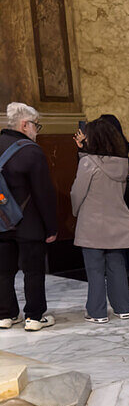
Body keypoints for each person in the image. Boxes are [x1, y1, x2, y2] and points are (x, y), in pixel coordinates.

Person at [71, 116, 129, 323]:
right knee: (117, 266)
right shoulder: (122, 163)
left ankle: (97, 312)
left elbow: (77, 193)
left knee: (95, 269)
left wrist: (76, 213)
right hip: (118, 222)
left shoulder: (87, 163)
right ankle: (123, 308)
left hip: (92, 224)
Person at [0, 102, 58, 331]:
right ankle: (34, 317)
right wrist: (51, 228)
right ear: (25, 125)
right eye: (36, 125)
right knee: (33, 272)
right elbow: (44, 194)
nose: (36, 130)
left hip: (0, 224)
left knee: (3, 272)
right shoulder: (31, 151)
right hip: (29, 224)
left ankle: (5, 315)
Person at [99, 113, 129, 280]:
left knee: (115, 236)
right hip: (124, 197)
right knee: (127, 235)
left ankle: (118, 268)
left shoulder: (102, 151)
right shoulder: (122, 146)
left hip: (111, 197)